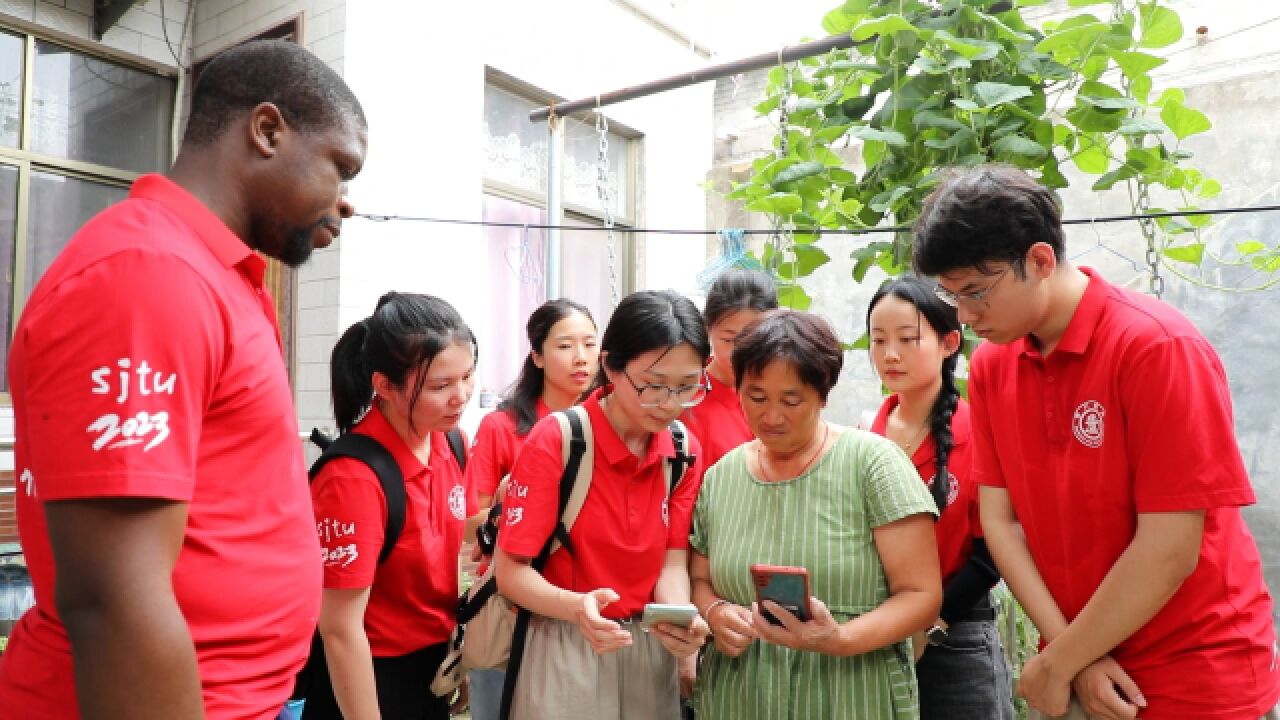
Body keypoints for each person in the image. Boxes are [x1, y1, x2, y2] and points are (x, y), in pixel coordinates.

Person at [0, 39, 366, 720]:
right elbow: (114, 600)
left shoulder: (216, 275)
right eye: (340, 169)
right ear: (266, 131)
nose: (344, 203)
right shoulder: (149, 273)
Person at [913, 164, 1280, 720]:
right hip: (1078, 664)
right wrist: (1070, 657)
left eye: (976, 293)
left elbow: (1170, 547)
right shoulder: (993, 365)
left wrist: (1060, 663)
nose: (964, 315)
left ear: (1038, 261)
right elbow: (1001, 522)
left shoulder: (1156, 347)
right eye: (950, 295)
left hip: (1195, 670)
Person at [689, 309, 942, 719]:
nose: (771, 416)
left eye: (792, 400)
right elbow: (699, 579)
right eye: (756, 397)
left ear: (823, 395)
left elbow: (921, 595)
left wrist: (838, 638)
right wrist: (716, 613)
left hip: (851, 694)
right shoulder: (722, 477)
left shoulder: (873, 464)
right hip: (739, 698)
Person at [494, 289, 712, 720]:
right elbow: (510, 571)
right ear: (610, 366)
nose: (670, 404)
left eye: (687, 387)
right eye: (653, 386)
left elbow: (671, 563)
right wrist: (576, 607)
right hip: (565, 641)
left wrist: (678, 622)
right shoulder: (560, 440)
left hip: (648, 648)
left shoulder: (684, 450)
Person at [302, 292, 476, 720]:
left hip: (430, 668)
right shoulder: (352, 477)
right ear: (384, 386)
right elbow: (340, 629)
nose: (461, 397)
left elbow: (451, 544)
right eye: (440, 386)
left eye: (467, 377)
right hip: (366, 681)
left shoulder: (451, 442)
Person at [866, 277, 1012, 719]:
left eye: (908, 339)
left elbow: (992, 553)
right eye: (878, 340)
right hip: (880, 634)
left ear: (949, 343)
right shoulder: (863, 440)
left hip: (957, 634)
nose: (890, 354)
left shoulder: (981, 434)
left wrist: (931, 625)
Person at [463, 298, 598, 720]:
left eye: (590, 344)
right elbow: (468, 527)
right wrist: (511, 501)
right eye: (565, 346)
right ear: (537, 355)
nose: (581, 358)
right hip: (511, 607)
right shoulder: (501, 428)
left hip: (585, 601)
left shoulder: (608, 425)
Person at [682, 268, 778, 468]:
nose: (741, 352)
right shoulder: (686, 397)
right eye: (728, 339)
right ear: (708, 329)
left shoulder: (783, 390)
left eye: (753, 338)